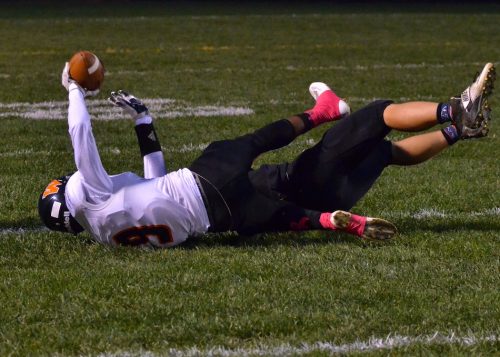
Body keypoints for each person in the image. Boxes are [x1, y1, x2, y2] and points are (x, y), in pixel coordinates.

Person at [38, 62, 495, 248]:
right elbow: (81, 136)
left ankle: (459, 130)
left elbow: (149, 184)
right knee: (257, 141)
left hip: (222, 218)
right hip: (202, 183)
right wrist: (74, 89)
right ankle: (328, 111)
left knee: (381, 154)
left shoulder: (106, 229)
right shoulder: (88, 194)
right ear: (65, 198)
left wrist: (144, 124)